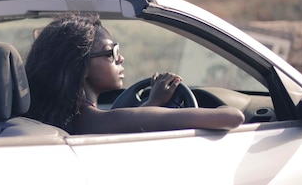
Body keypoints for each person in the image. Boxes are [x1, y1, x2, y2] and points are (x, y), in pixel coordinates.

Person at [24, 12, 245, 134]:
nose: (121, 58)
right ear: (80, 68)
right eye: (112, 52)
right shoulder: (101, 121)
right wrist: (226, 105)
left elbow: (129, 121)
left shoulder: (33, 120)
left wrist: (153, 103)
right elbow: (232, 117)